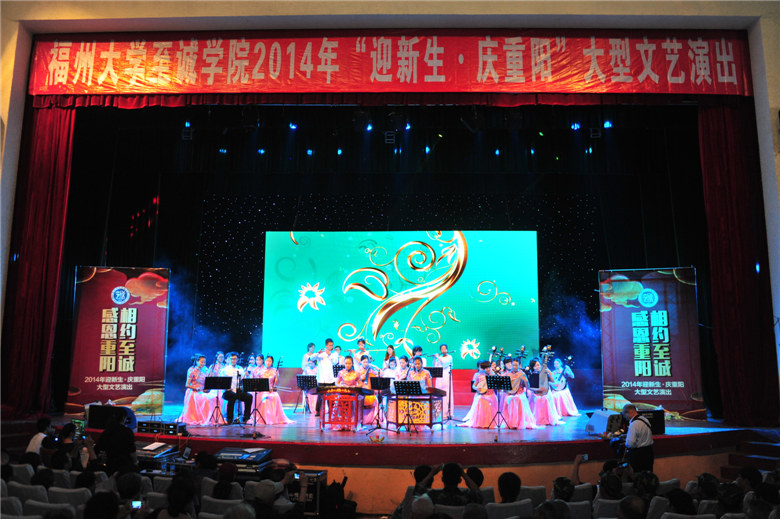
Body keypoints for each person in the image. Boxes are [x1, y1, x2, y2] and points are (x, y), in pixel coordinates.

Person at [249, 355, 293, 424]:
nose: (268, 362)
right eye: (267, 361)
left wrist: (277, 377)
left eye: (270, 361)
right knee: (265, 398)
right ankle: (263, 418)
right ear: (264, 361)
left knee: (275, 396)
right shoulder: (260, 371)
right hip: (262, 391)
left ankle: (273, 418)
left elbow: (276, 384)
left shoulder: (275, 370)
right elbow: (257, 383)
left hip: (271, 390)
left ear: (272, 362)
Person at [177, 354, 219, 425]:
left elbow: (208, 381)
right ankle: (202, 418)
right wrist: (196, 388)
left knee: (215, 398)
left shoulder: (206, 369)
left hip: (203, 391)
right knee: (206, 400)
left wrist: (208, 386)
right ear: (196, 361)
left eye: (204, 362)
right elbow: (187, 384)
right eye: (201, 362)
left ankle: (212, 419)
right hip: (194, 391)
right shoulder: (192, 370)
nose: (203, 364)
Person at [416, 463, 484, 506]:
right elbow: (478, 493)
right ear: (460, 480)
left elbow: (417, 492)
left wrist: (432, 473)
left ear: (442, 479)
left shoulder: (433, 496)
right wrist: (463, 474)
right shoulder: (467, 497)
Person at [95, 409, 135, 475]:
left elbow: (97, 448)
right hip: (125, 468)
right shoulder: (127, 431)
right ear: (123, 418)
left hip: (110, 466)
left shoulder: (106, 431)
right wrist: (136, 462)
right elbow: (132, 451)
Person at [459, 361, 499, 429]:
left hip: (491, 395)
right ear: (483, 369)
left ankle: (492, 422)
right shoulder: (479, 376)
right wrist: (477, 388)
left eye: (488, 367)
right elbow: (473, 386)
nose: (487, 369)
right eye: (486, 368)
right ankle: (483, 422)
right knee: (480, 400)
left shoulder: (493, 375)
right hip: (483, 396)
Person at [502, 358, 538, 430]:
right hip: (510, 395)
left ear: (519, 365)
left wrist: (525, 381)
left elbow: (528, 387)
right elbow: (504, 389)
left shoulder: (522, 374)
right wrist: (508, 392)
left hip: (520, 394)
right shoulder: (507, 374)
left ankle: (519, 423)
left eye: (516, 365)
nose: (514, 367)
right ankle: (511, 423)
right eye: (513, 365)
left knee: (518, 399)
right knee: (509, 399)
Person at [527, 358, 564, 426]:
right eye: (535, 366)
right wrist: (538, 390)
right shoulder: (532, 375)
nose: (537, 367)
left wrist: (549, 372)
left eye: (538, 365)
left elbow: (552, 381)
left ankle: (547, 419)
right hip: (536, 395)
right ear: (533, 367)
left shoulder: (544, 373)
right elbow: (531, 388)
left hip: (545, 394)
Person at [221, 352, 253, 424]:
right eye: (231, 359)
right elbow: (221, 382)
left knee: (249, 396)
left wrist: (247, 376)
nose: (233, 360)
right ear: (229, 359)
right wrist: (226, 387)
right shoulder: (224, 370)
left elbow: (243, 380)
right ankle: (229, 419)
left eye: (235, 359)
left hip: (238, 391)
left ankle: (246, 418)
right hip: (227, 391)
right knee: (232, 396)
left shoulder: (240, 369)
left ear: (237, 360)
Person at [335, 356, 365, 429]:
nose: (347, 365)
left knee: (357, 402)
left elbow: (360, 383)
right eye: (346, 363)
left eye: (349, 363)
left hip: (352, 394)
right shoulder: (341, 372)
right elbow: (337, 383)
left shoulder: (356, 373)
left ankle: (353, 424)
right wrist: (341, 386)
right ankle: (342, 425)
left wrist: (355, 387)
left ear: (352, 364)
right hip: (343, 393)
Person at [622, 404, 654, 472]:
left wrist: (625, 442)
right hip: (649, 453)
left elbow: (630, 444)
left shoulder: (634, 424)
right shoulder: (645, 419)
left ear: (628, 412)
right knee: (648, 476)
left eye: (624, 415)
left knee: (637, 476)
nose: (625, 418)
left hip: (638, 456)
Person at [357, 354, 381, 424]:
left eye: (367, 362)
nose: (365, 363)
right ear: (361, 362)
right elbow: (357, 379)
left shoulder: (371, 370)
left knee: (375, 399)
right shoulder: (359, 370)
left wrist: (374, 366)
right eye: (364, 362)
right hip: (361, 390)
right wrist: (362, 376)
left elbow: (381, 373)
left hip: (369, 390)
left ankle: (372, 419)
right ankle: (360, 419)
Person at [434, 344, 454, 417]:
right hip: (439, 377)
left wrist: (437, 357)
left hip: (446, 376)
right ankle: (439, 412)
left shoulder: (449, 357)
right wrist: (434, 358)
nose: (443, 350)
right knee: (438, 393)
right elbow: (435, 366)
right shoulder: (439, 357)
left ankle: (447, 413)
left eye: (445, 349)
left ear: (447, 349)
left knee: (446, 394)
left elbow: (444, 363)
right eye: (442, 349)